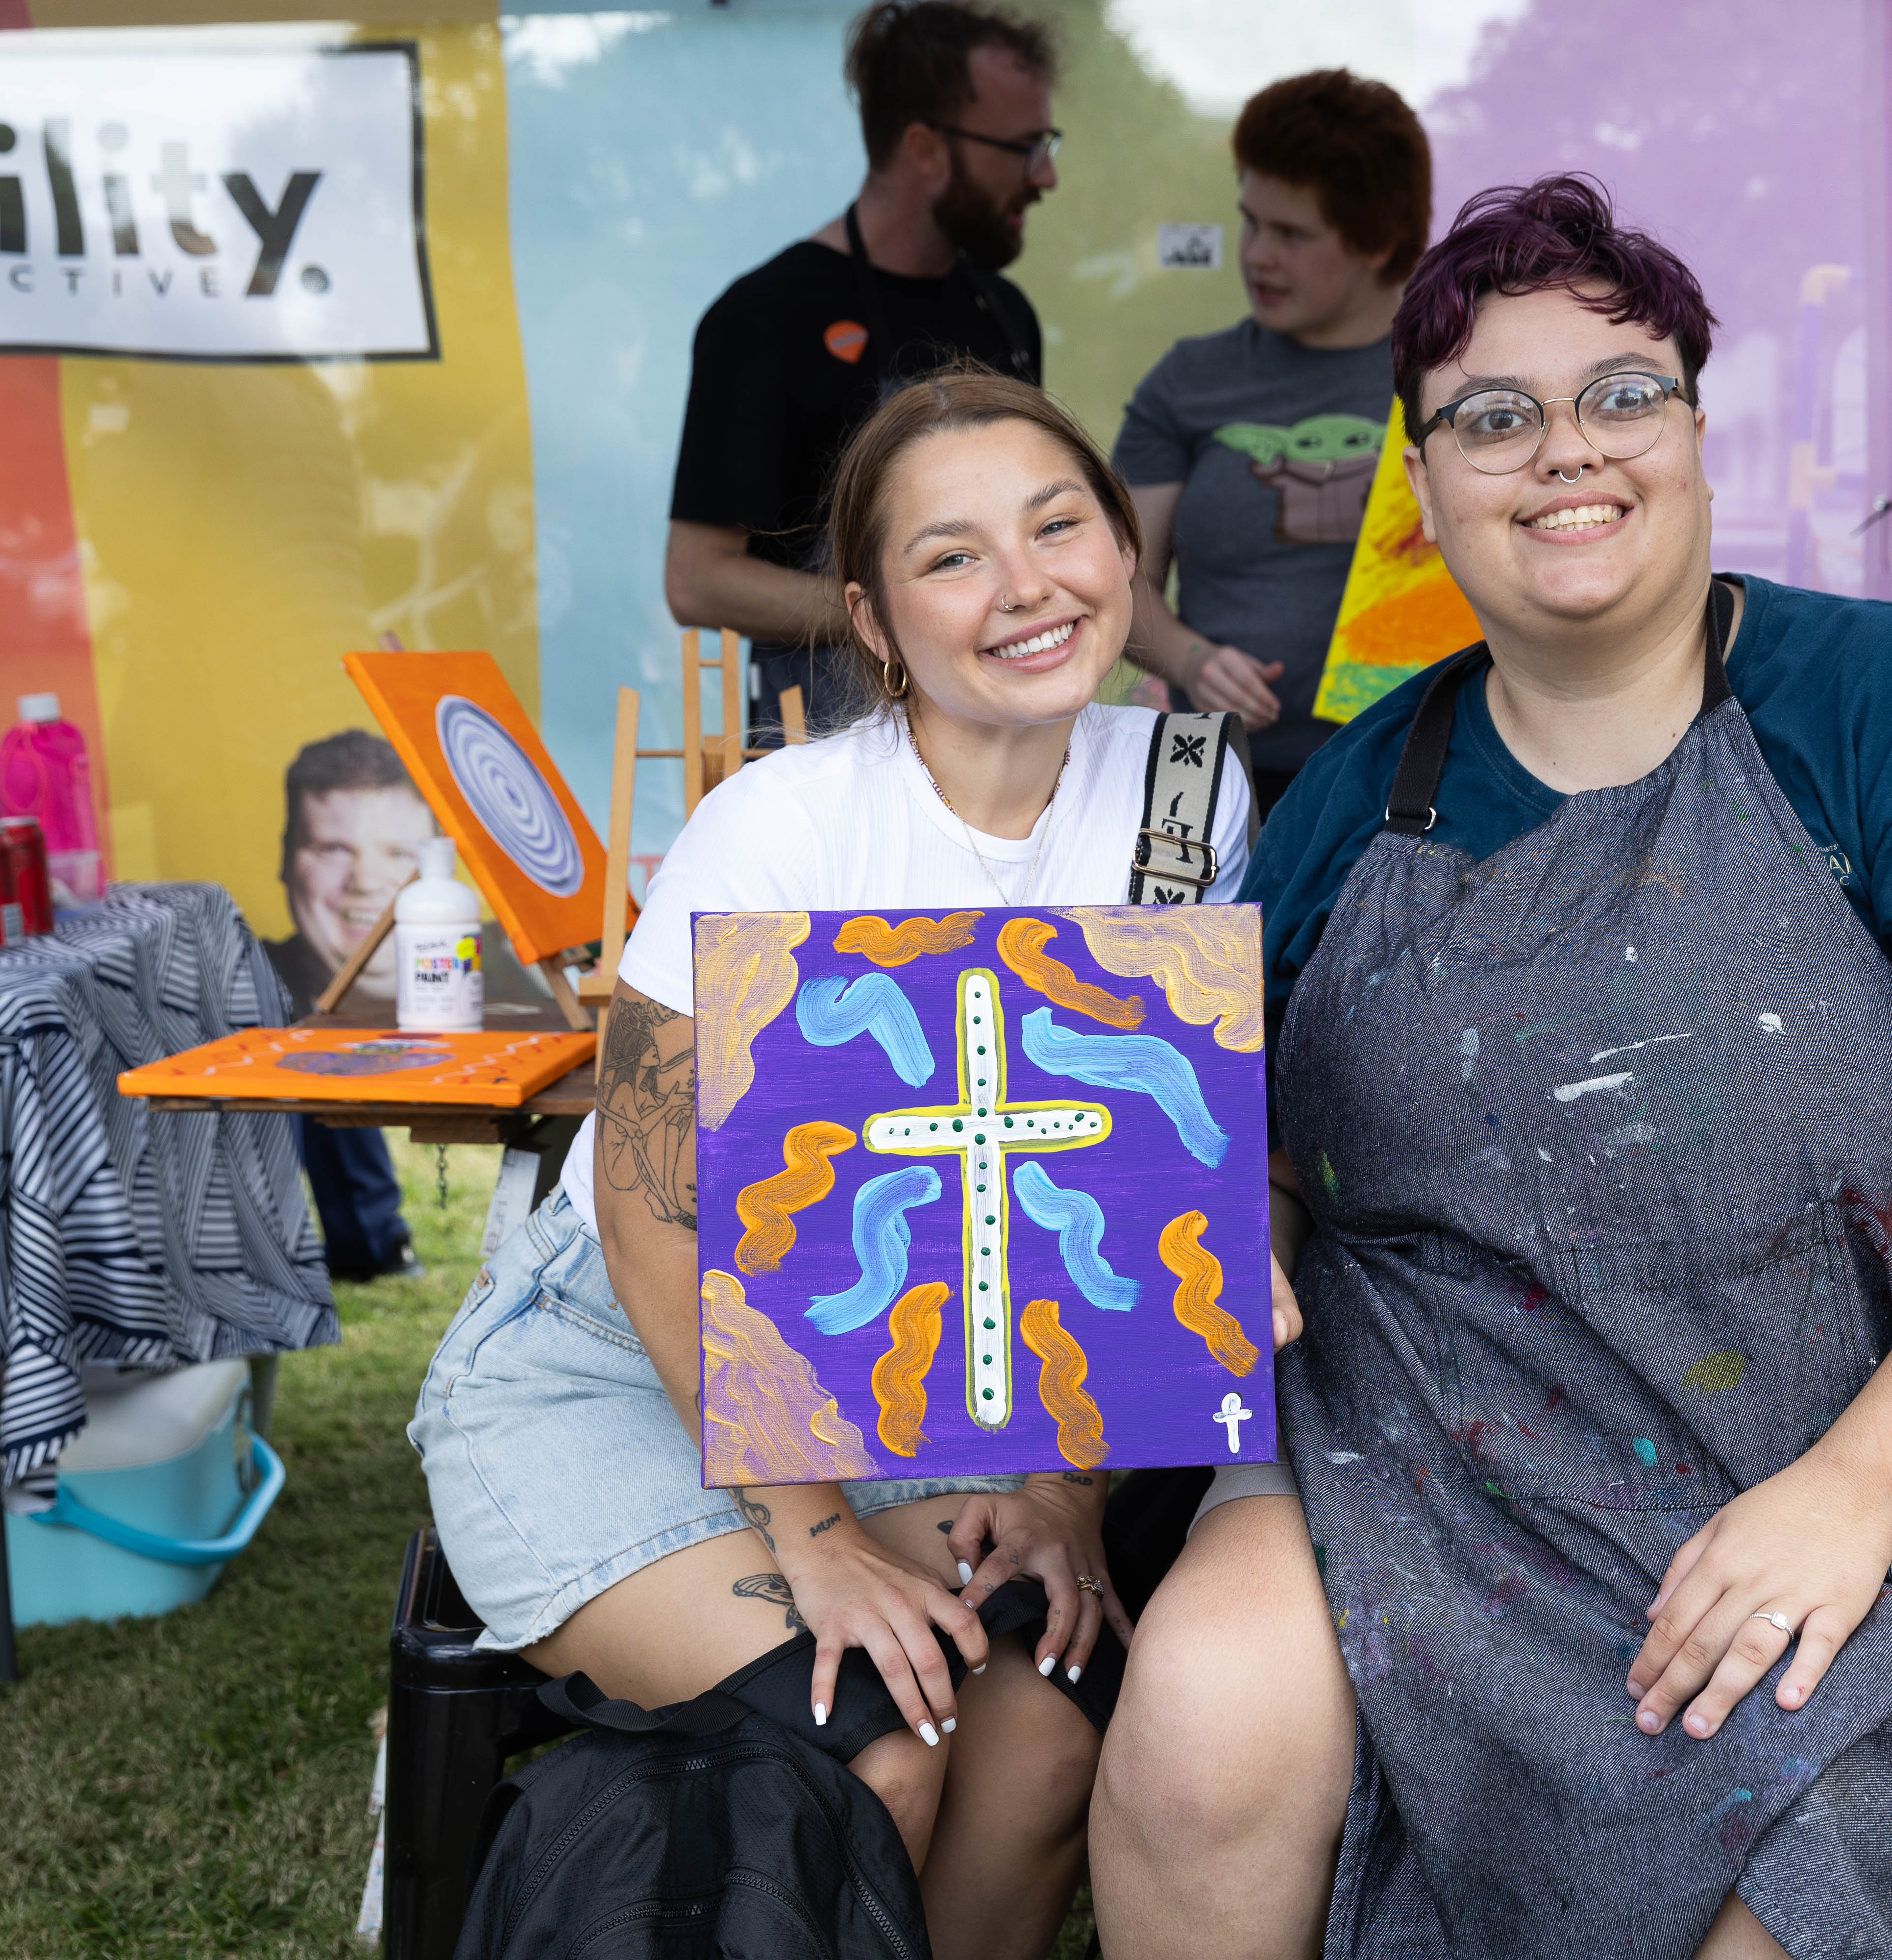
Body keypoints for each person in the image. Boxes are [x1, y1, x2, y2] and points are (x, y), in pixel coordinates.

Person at [1089, 176, 1892, 1960]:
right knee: (1209, 1722)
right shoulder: (1343, 805)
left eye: (1621, 393)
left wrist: (1847, 1494)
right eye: (1491, 417)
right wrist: (1240, 1229)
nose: (1562, 453)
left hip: (1884, 1481)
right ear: (1424, 482)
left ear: (1695, 426)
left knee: (1786, 1872)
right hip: (1426, 1472)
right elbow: (1248, 1157)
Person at [413, 368, 1255, 1960]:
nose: (1026, 586)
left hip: (917, 1390)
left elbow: (1146, 1171)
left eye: (1058, 523)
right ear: (873, 620)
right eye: (953, 557)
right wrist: (806, 1533)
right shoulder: (785, 828)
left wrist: (1067, 1489)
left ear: (1122, 545)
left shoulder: (1187, 803)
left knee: (1042, 1746)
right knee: (867, 1735)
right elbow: (650, 1209)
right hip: (623, 1367)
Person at [664, 0, 1055, 748]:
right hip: (820, 739)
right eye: (1024, 147)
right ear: (925, 148)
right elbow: (697, 578)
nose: (1048, 176)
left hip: (995, 735)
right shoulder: (765, 317)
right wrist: (903, 613)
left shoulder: (1005, 313)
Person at [1114, 70, 1430, 810]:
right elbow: (1115, 581)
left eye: (1291, 234)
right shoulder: (1190, 380)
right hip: (1214, 783)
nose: (1257, 254)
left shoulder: (1457, 374)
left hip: (1422, 782)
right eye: (1251, 222)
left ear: (1379, 240)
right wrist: (1192, 659)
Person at [262, 731, 432, 1283]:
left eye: (398, 853)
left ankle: (370, 1240)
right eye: (334, 849)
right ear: (287, 860)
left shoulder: (511, 968)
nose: (363, 882)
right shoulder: (261, 983)